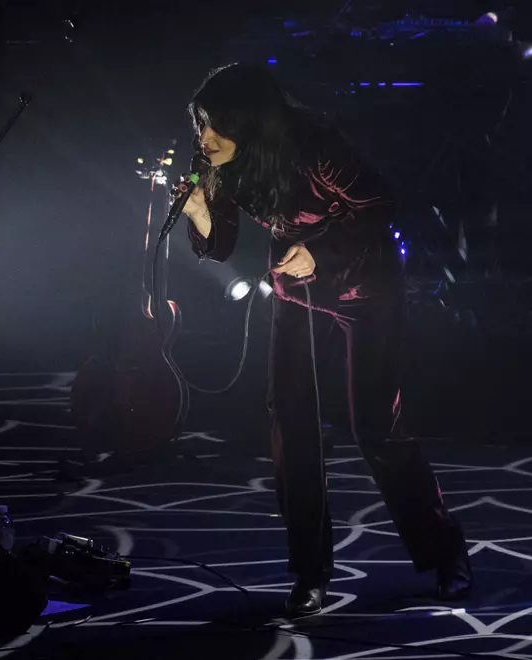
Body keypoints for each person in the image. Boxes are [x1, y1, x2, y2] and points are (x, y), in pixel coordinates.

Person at [176, 63, 472, 616]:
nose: (204, 138)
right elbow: (220, 247)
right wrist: (198, 211)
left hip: (364, 286)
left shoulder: (315, 146)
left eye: (214, 125)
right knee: (293, 428)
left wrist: (324, 251)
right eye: (201, 126)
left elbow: (381, 205)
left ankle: (445, 550)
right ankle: (310, 573)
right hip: (297, 295)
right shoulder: (226, 163)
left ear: (248, 120)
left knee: (375, 428)